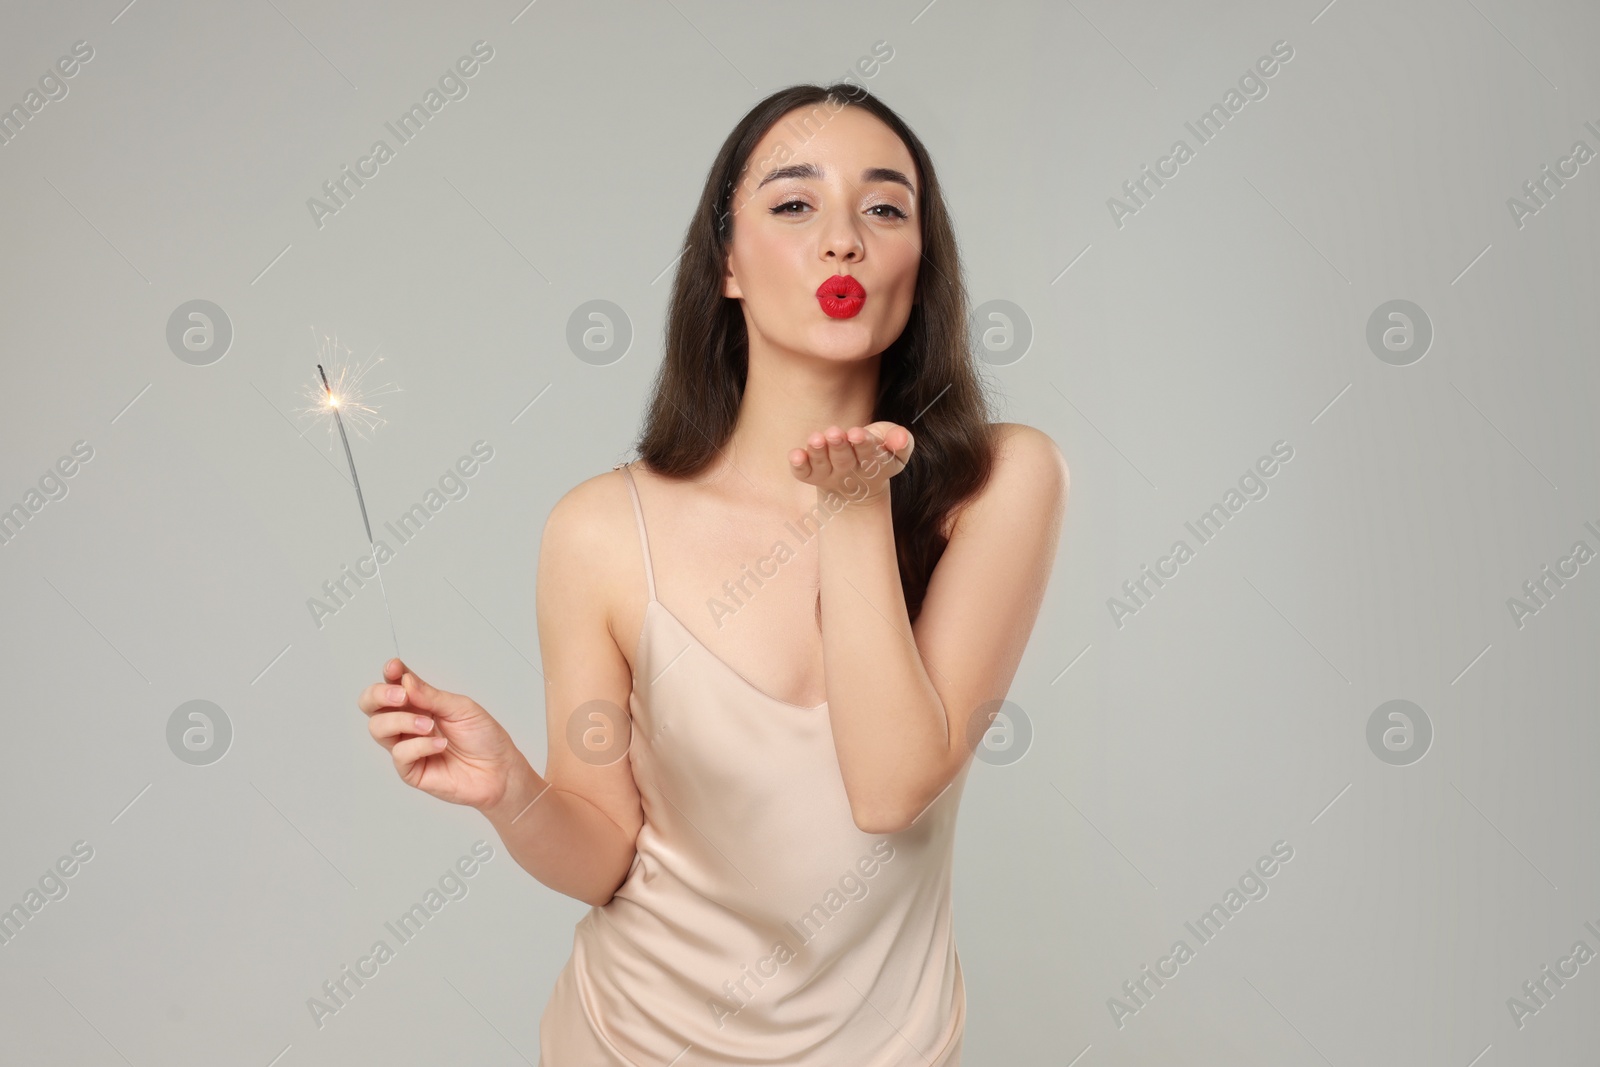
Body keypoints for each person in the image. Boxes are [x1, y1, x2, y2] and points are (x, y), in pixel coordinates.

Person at [356, 81, 1068, 1065]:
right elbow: (603, 851)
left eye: (884, 207)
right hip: (626, 1039)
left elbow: (892, 786)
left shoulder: (1003, 479)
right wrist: (508, 787)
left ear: (921, 262)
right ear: (726, 261)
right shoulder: (599, 529)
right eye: (791, 203)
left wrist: (852, 507)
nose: (842, 240)